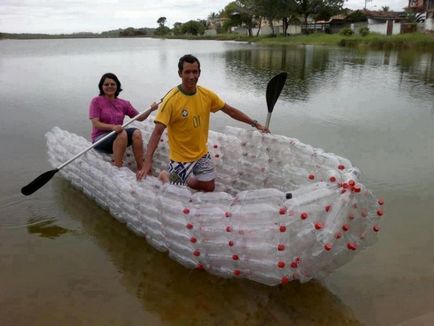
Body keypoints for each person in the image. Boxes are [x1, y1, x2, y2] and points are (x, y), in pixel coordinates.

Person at [137, 54, 268, 191]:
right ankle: (166, 176)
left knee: (209, 187)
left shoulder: (206, 95)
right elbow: (157, 132)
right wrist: (147, 162)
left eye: (195, 72)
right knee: (175, 194)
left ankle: (184, 180)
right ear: (180, 73)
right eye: (187, 72)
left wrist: (255, 123)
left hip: (201, 153)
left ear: (200, 72)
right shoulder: (171, 100)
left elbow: (230, 111)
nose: (192, 76)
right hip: (180, 158)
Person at [89, 72, 158, 179]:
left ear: (117, 86)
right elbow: (95, 123)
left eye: (112, 84)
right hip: (101, 139)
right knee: (122, 133)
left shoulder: (124, 103)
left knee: (136, 132)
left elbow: (139, 117)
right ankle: (118, 167)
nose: (109, 86)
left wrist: (150, 109)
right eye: (106, 84)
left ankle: (141, 168)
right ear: (101, 87)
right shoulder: (96, 101)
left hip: (118, 135)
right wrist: (112, 127)